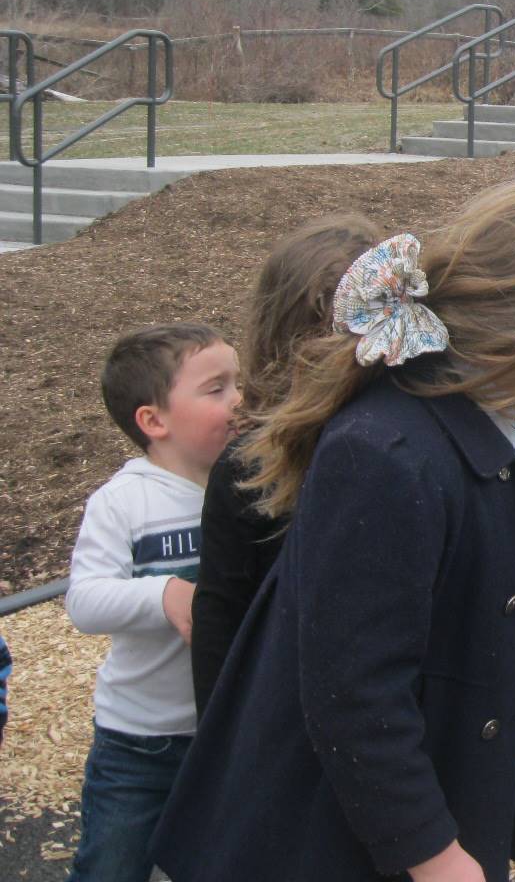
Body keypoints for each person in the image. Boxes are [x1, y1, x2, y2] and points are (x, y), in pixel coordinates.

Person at [152, 182, 515, 882]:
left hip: (420, 805)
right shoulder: (386, 454)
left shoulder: (472, 427)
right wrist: (433, 855)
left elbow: (498, 556)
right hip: (332, 839)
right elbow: (355, 693)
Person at [65, 323, 241, 882]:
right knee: (111, 867)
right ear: (154, 421)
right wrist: (164, 593)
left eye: (238, 383)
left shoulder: (250, 487)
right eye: (216, 389)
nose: (239, 399)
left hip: (225, 731)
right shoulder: (125, 502)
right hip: (137, 745)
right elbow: (85, 601)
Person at [190, 213, 380, 718]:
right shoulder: (414, 441)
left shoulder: (248, 460)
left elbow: (220, 617)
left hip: (287, 709)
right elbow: (219, 616)